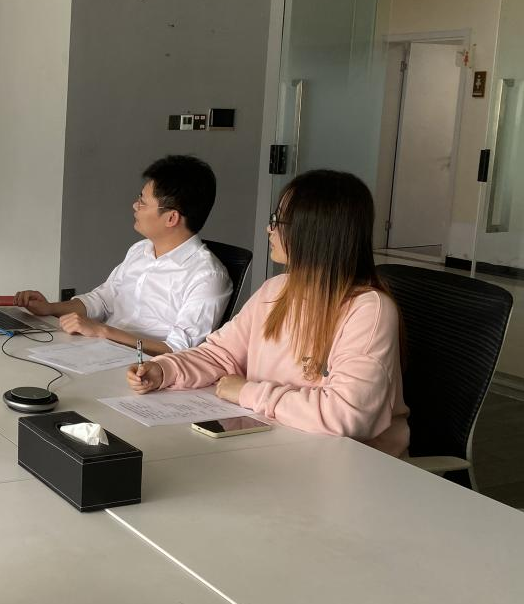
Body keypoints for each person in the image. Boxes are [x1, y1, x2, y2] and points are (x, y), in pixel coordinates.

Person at [127, 170, 409, 456]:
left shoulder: (369, 310)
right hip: (279, 445)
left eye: (278, 221)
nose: (269, 229)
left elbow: (347, 415)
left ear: (315, 232)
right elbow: (219, 354)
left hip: (353, 463)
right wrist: (165, 369)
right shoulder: (276, 289)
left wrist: (247, 392)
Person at [15, 155, 231, 355]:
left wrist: (103, 331)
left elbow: (178, 349)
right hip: (100, 351)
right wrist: (49, 308)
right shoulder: (140, 250)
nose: (135, 206)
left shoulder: (208, 277)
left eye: (143, 202)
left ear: (171, 218)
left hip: (143, 368)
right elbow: (103, 300)